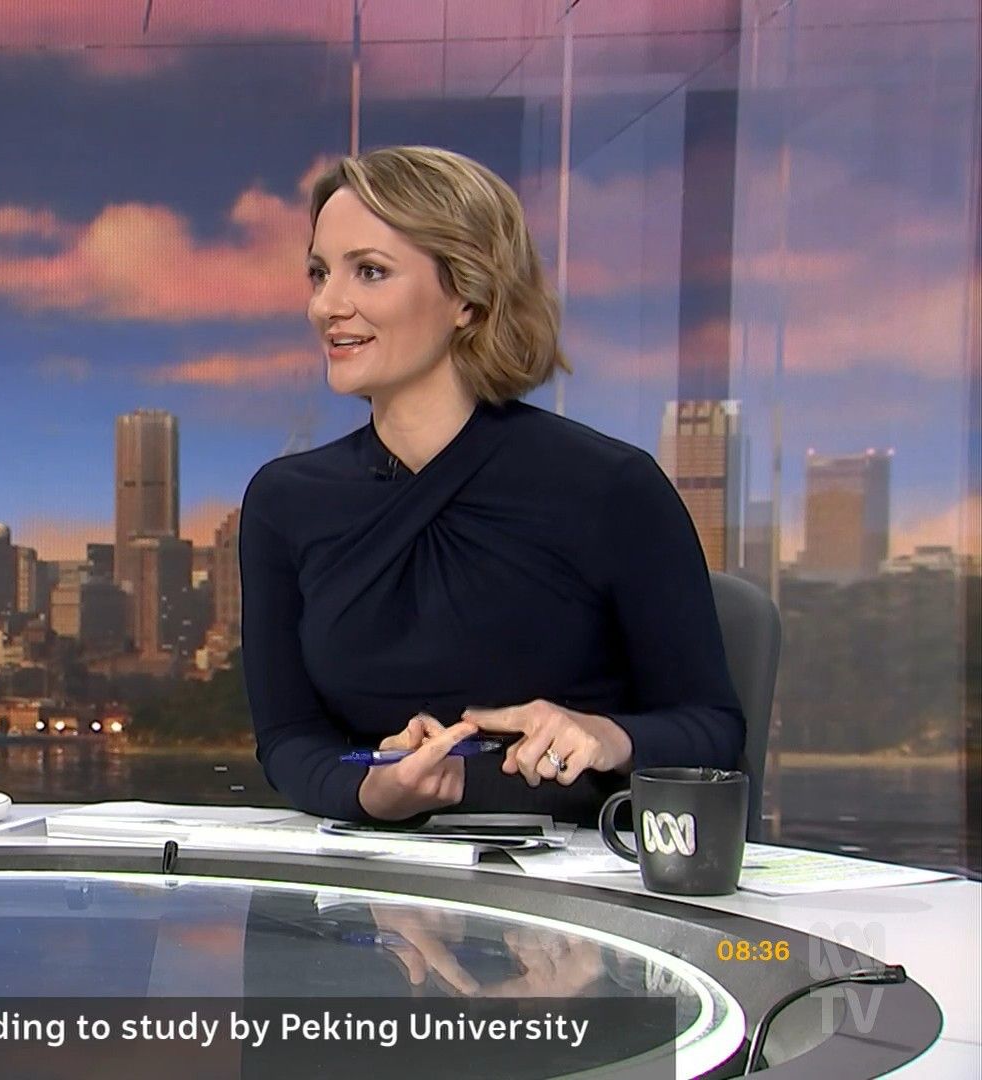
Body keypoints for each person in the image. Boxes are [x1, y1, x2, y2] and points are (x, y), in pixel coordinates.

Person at [239, 145, 743, 825]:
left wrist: (604, 736)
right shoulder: (285, 501)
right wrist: (372, 791)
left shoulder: (610, 487)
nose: (326, 305)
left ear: (469, 299)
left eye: (370, 272)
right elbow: (288, 738)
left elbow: (712, 729)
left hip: (575, 868)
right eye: (319, 273)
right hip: (364, 870)